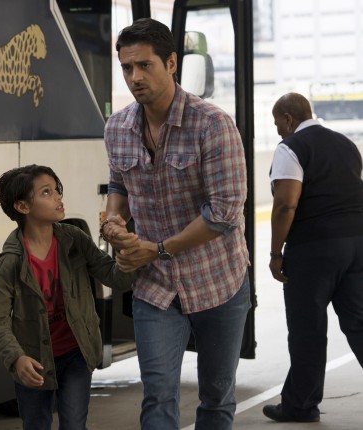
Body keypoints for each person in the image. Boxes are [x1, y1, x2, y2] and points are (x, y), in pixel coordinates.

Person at [100, 18, 251, 430]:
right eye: (127, 67)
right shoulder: (117, 128)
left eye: (144, 65)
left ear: (171, 63)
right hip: (156, 287)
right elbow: (118, 184)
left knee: (216, 397)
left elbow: (224, 212)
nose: (135, 77)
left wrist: (159, 248)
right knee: (158, 395)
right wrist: (114, 222)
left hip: (218, 280)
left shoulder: (212, 124)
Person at [0, 164, 135, 430]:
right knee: (36, 425)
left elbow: (115, 278)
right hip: (34, 360)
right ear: (22, 207)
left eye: (57, 190)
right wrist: (17, 359)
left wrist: (127, 252)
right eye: (46, 192)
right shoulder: (11, 261)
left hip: (77, 353)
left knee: (74, 426)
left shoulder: (74, 239)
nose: (58, 197)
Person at [263, 92, 363, 423]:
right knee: (359, 322)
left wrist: (276, 253)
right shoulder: (345, 144)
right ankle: (298, 400)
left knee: (308, 329)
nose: (277, 130)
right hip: (357, 245)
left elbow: (286, 204)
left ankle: (301, 406)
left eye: (277, 123)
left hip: (314, 249)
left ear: (288, 118)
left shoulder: (291, 147)